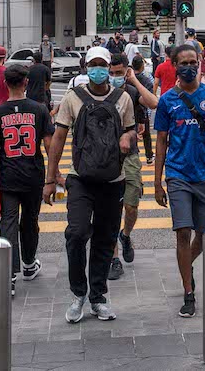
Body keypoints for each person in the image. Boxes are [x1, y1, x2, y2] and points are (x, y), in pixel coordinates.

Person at [43, 46, 134, 323]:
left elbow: (131, 131)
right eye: (93, 64)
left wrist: (127, 140)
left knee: (105, 240)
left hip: (113, 180)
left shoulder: (123, 98)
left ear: (108, 67)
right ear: (86, 67)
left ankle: (98, 296)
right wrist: (50, 178)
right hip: (80, 179)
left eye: (102, 64)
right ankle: (78, 294)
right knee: (77, 233)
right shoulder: (73, 97)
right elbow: (58, 138)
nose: (98, 69)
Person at [152, 44, 205, 317]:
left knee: (203, 234)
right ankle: (188, 291)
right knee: (182, 232)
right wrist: (157, 181)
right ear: (174, 66)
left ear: (200, 62)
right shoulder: (167, 100)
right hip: (177, 175)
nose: (188, 66)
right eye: (182, 62)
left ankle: (186, 266)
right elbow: (161, 141)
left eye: (192, 61)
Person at [0, 64, 53, 297]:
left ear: (5, 83)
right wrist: (53, 175)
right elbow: (48, 145)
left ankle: (9, 276)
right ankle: (28, 263)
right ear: (26, 83)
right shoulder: (39, 109)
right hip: (33, 173)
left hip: (7, 175)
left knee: (7, 222)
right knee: (30, 220)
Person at [108, 53, 158, 280]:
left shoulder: (131, 90)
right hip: (105, 158)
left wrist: (134, 81)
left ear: (127, 71)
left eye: (119, 73)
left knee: (131, 206)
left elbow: (154, 103)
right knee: (108, 210)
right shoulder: (98, 92)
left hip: (130, 156)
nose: (114, 77)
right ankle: (113, 258)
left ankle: (125, 235)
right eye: (112, 73)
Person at [132, 55, 157, 164]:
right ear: (142, 66)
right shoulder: (146, 79)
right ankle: (149, 156)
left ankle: (134, 155)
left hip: (130, 112)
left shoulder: (128, 78)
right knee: (146, 135)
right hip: (143, 112)